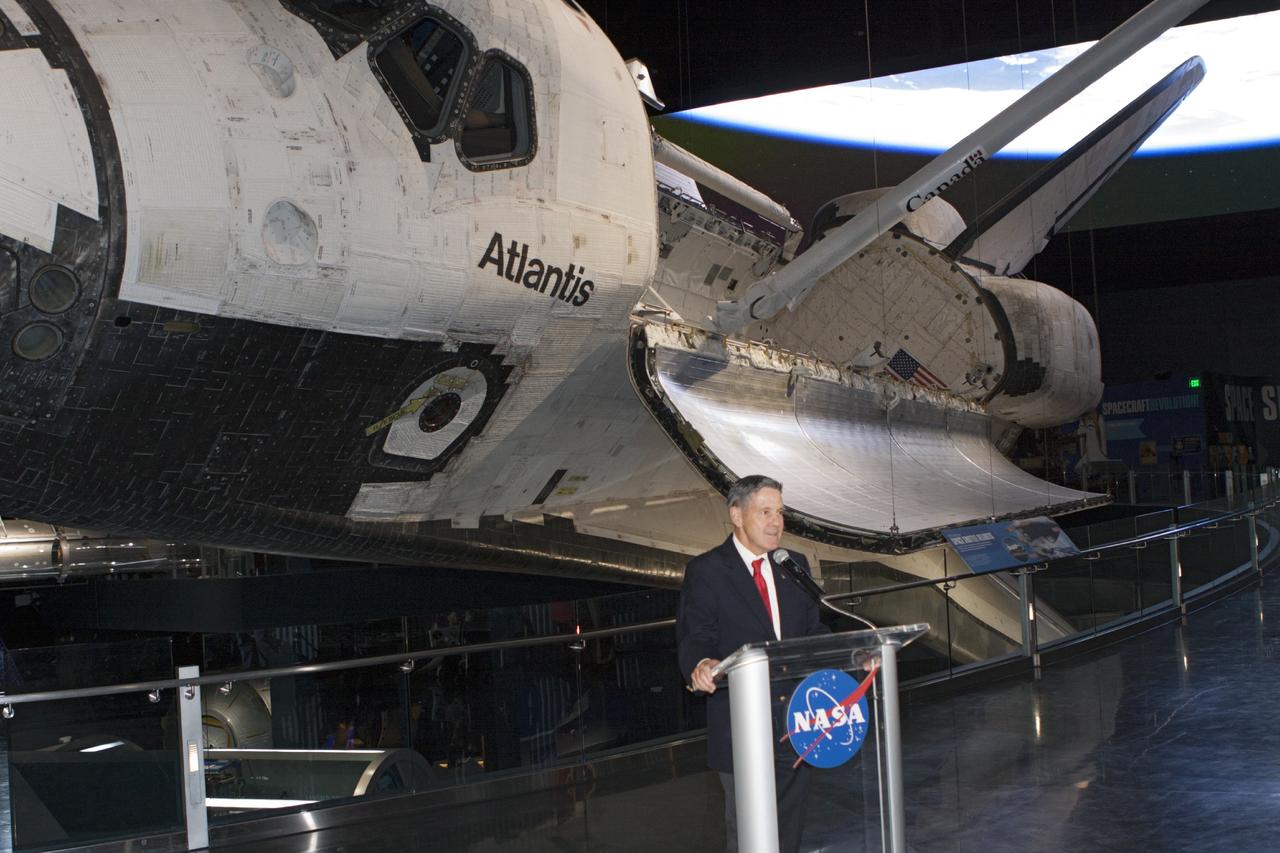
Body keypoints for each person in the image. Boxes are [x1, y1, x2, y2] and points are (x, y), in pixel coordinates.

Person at [677, 475, 827, 853]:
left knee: (789, 831)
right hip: (742, 726)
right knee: (749, 836)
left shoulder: (794, 564)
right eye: (765, 512)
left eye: (780, 512)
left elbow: (813, 630)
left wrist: (851, 652)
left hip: (797, 722)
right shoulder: (707, 571)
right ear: (737, 516)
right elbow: (695, 635)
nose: (776, 522)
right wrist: (701, 664)